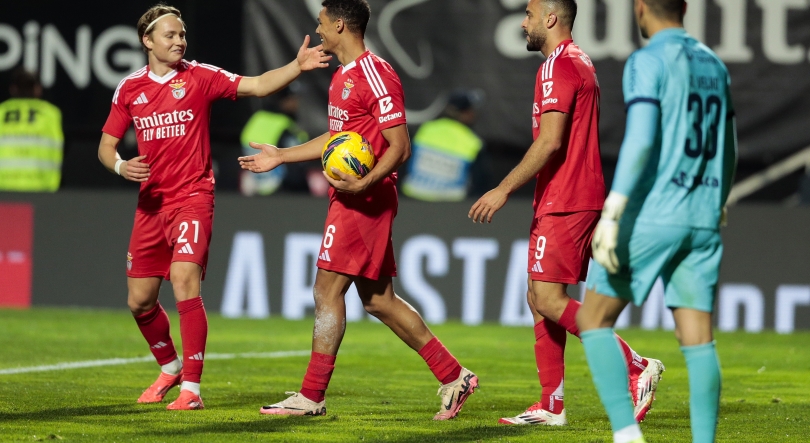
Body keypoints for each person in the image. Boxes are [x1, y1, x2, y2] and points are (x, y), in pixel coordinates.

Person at [240, 0, 478, 420]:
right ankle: (454, 375)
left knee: (326, 291)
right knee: (379, 300)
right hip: (352, 195)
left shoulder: (376, 74)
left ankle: (311, 395)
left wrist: (367, 182)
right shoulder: (342, 77)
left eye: (321, 24)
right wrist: (282, 155)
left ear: (340, 24)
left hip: (364, 199)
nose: (318, 32)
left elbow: (400, 144)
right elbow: (336, 138)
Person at [97, 3, 329, 410]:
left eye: (182, 34)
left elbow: (256, 85)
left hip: (193, 197)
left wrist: (296, 66)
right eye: (170, 35)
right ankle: (169, 368)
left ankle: (192, 389)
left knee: (185, 280)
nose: (179, 41)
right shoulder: (129, 89)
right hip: (150, 205)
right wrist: (119, 165)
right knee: (140, 301)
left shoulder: (201, 77)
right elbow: (105, 147)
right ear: (147, 41)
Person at [469, 0, 663, 426]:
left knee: (547, 298)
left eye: (528, 15)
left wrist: (502, 189)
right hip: (574, 193)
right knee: (538, 298)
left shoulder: (558, 65)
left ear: (550, 19)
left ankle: (635, 365)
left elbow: (550, 141)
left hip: (567, 198)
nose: (523, 24)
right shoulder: (578, 60)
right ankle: (551, 405)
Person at [576, 0, 737, 441]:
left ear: (640, 7)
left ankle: (627, 436)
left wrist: (614, 209)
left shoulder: (647, 60)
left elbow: (642, 138)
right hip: (703, 214)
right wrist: (718, 197)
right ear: (684, 7)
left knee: (593, 320)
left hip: (653, 213)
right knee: (699, 339)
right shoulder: (714, 63)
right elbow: (730, 143)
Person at [401, 89, 487, 201]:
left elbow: (401, 162)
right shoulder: (473, 142)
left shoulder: (426, 129)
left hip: (411, 198)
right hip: (450, 206)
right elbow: (481, 184)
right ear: (465, 113)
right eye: (471, 110)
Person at [239, 83, 310, 196]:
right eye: (294, 98)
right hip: (282, 191)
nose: (297, 103)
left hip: (256, 189)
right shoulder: (284, 126)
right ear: (284, 100)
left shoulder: (257, 118)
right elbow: (294, 169)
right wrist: (305, 193)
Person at [0, 68, 63, 192]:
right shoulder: (51, 114)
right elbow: (57, 153)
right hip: (40, 189)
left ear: (13, 89)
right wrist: (52, 187)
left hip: (3, 188)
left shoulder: (1, 112)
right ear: (37, 89)